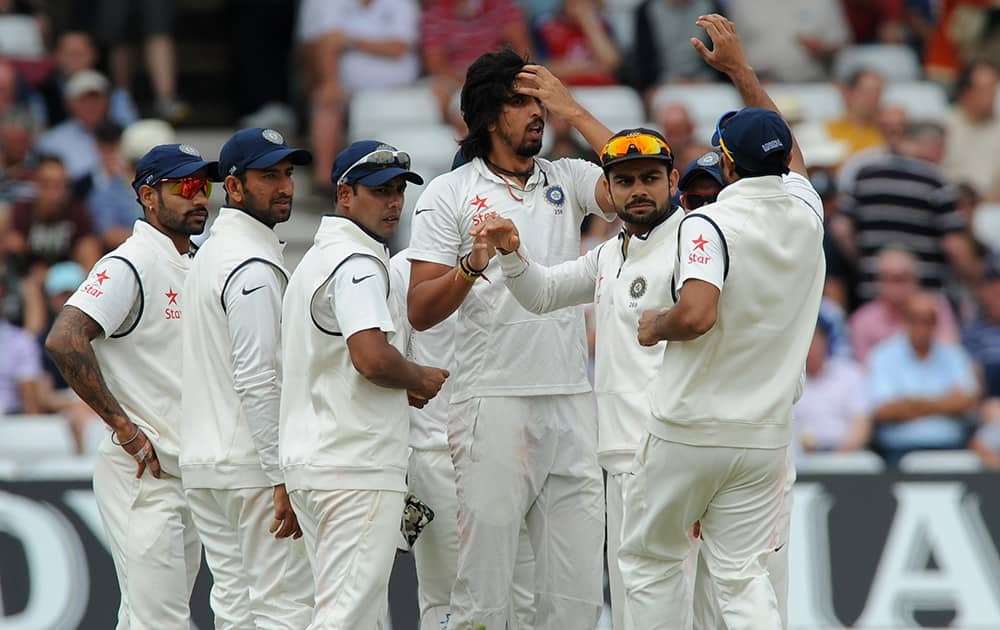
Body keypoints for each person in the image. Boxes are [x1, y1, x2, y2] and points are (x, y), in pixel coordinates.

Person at [623, 14, 824, 629]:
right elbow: (789, 155)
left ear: (727, 165)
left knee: (652, 560)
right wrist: (741, 71)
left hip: (691, 426)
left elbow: (699, 315)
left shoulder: (706, 224)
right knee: (741, 575)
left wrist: (656, 324)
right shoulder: (806, 209)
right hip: (763, 435)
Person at [406, 49, 616, 630]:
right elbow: (420, 311)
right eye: (523, 101)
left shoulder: (567, 178)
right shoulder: (448, 193)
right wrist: (471, 266)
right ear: (489, 114)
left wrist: (572, 107)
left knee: (574, 603)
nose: (538, 113)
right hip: (492, 401)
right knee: (486, 597)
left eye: (541, 100)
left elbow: (639, 180)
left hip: (571, 397)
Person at [472, 127, 682, 630]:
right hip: (622, 454)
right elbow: (543, 293)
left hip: (672, 455)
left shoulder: (693, 243)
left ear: (673, 180)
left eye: (650, 178)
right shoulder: (612, 253)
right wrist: (511, 255)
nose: (638, 191)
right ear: (607, 189)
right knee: (636, 601)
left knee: (679, 600)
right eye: (624, 180)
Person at [44, 143, 220, 627]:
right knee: (160, 621)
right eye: (185, 187)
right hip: (143, 472)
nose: (199, 196)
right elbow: (64, 338)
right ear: (148, 195)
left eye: (203, 185)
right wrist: (122, 425)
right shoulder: (129, 263)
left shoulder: (201, 259)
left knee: (148, 617)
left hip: (188, 469)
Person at [279, 140, 446, 628]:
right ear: (345, 194)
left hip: (321, 459)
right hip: (354, 463)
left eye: (398, 190)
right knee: (347, 616)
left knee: (361, 615)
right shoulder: (357, 263)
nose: (394, 202)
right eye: (379, 191)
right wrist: (418, 378)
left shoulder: (316, 258)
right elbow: (371, 357)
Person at [180, 128, 314, 628]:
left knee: (236, 609)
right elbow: (258, 377)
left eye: (287, 173)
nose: (284, 186)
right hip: (250, 468)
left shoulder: (212, 253)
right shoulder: (251, 264)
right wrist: (281, 474)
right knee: (284, 607)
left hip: (207, 465)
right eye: (267, 176)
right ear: (233, 187)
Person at [869, 291, 980, 464]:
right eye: (914, 319)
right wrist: (944, 402)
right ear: (904, 320)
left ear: (936, 323)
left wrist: (912, 403)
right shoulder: (883, 355)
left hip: (950, 445)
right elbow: (884, 410)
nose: (921, 327)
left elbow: (968, 401)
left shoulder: (954, 355)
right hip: (898, 450)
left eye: (928, 320)